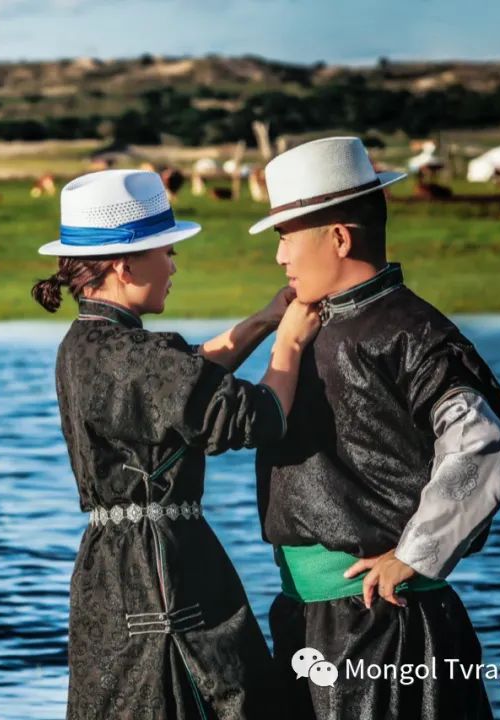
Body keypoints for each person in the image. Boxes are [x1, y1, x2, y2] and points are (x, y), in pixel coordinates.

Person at [32, 169, 320, 719]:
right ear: (124, 265)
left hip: (109, 575)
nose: (173, 266)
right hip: (161, 577)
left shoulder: (86, 343)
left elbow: (184, 376)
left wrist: (263, 320)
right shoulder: (130, 356)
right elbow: (261, 417)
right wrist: (291, 342)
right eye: (166, 252)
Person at [249, 137, 500, 719]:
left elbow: (480, 444)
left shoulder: (413, 334)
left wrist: (415, 555)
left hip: (383, 624)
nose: (280, 257)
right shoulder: (311, 326)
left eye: (286, 237)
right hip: (314, 620)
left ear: (339, 238)